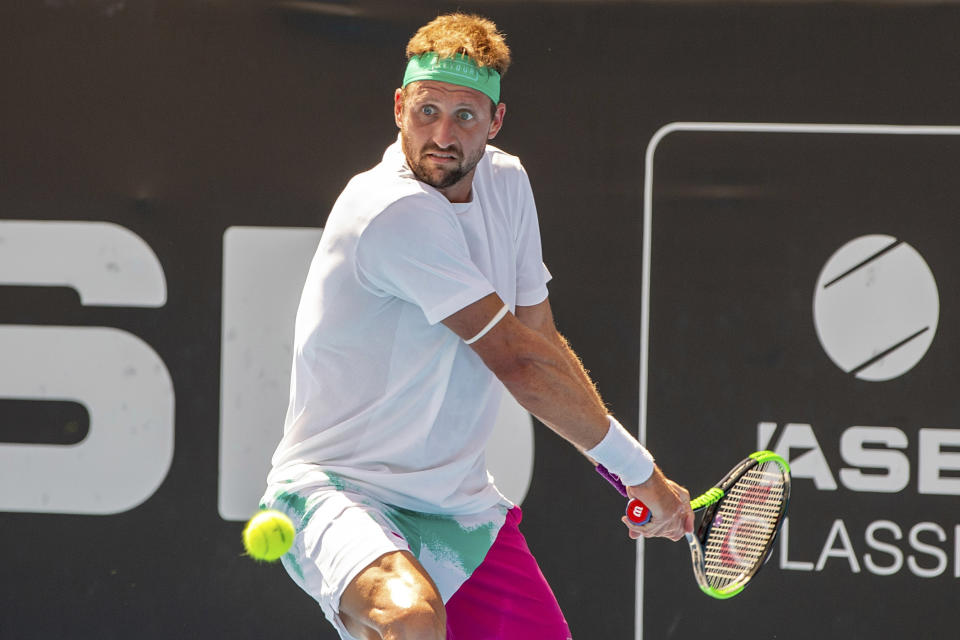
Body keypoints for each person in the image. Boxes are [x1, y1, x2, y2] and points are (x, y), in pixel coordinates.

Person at [261, 12, 694, 640]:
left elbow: (539, 341)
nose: (442, 133)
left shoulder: (506, 184)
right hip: (338, 491)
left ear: (494, 122)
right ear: (399, 106)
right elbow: (517, 363)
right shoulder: (389, 211)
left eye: (465, 116)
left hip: (458, 507)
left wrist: (627, 472)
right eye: (427, 110)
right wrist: (642, 475)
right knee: (409, 617)